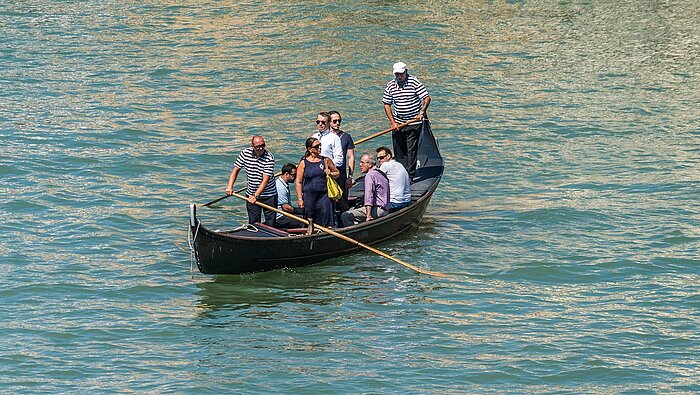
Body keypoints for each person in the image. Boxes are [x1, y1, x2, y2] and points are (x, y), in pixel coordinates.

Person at [382, 61, 431, 179]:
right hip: (398, 122)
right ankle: (400, 173)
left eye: (401, 74)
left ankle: (410, 175)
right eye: (397, 74)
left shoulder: (414, 82)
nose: (399, 76)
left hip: (414, 122)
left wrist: (421, 112)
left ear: (406, 71)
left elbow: (426, 98)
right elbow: (386, 104)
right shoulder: (391, 85)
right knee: (399, 150)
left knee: (411, 149)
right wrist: (393, 122)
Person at [225, 135, 277, 226]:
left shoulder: (269, 158)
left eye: (263, 145)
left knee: (271, 224)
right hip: (251, 193)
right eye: (258, 146)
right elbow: (235, 170)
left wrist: (255, 196)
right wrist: (230, 186)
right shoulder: (245, 153)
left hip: (269, 195)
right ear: (252, 146)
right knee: (253, 224)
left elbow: (265, 180)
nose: (261, 148)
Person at [296, 137, 340, 228]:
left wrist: (331, 173)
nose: (319, 148)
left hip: (324, 196)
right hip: (309, 197)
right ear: (309, 149)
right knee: (310, 220)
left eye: (320, 145)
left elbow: (337, 173)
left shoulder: (325, 160)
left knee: (326, 220)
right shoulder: (303, 163)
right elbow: (299, 182)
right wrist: (300, 198)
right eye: (316, 146)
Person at [340, 154, 390, 227]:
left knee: (345, 216)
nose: (360, 165)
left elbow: (369, 196)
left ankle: (354, 234)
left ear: (369, 164)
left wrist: (368, 215)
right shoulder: (380, 172)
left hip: (378, 210)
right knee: (354, 209)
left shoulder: (370, 175)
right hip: (385, 209)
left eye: (362, 162)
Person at [328, 110, 355, 212]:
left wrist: (350, 177)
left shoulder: (346, 137)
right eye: (335, 121)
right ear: (329, 122)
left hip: (341, 174)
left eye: (339, 121)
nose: (338, 123)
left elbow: (351, 157)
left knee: (343, 200)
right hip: (328, 173)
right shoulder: (324, 137)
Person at [376, 146, 412, 211]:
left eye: (381, 158)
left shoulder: (385, 165)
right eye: (377, 158)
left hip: (394, 203)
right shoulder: (399, 164)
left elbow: (375, 180)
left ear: (388, 156)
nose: (379, 160)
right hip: (407, 200)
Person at [275, 163, 305, 229]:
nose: (295, 178)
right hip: (280, 217)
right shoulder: (281, 187)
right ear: (286, 174)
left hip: (284, 214)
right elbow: (286, 208)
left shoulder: (281, 183)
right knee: (304, 221)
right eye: (293, 175)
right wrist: (300, 211)